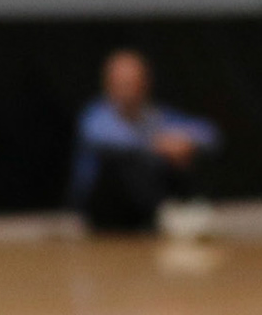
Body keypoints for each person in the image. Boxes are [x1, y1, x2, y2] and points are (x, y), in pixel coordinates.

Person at [68, 48, 221, 232]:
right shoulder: (95, 116)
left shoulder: (155, 115)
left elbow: (209, 133)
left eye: (132, 82)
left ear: (146, 83)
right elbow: (105, 140)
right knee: (125, 161)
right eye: (122, 83)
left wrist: (185, 142)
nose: (127, 90)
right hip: (105, 205)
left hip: (145, 203)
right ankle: (166, 213)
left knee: (181, 154)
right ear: (107, 84)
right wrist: (158, 144)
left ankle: (186, 210)